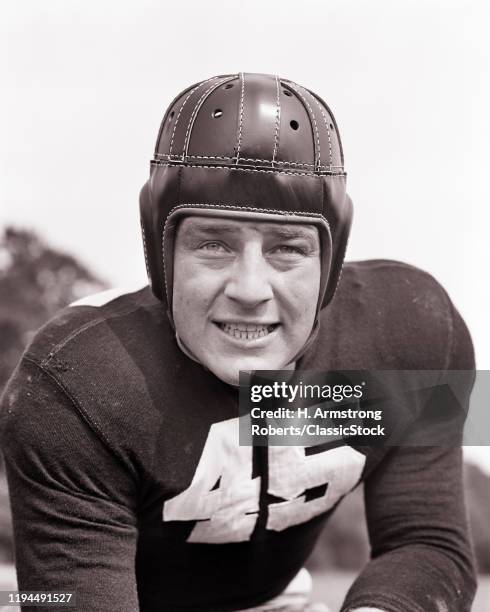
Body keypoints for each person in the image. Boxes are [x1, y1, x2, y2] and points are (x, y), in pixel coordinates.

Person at [0, 73, 476, 612]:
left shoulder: (417, 334)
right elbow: (70, 599)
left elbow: (429, 543)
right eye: (214, 244)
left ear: (330, 259)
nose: (250, 290)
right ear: (162, 252)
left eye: (287, 249)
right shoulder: (71, 386)